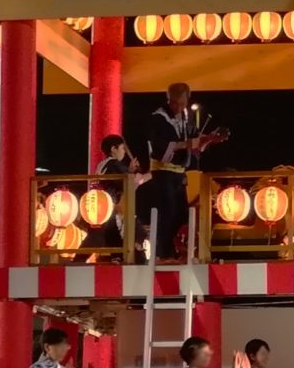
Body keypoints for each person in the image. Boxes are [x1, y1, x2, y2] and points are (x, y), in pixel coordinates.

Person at [141, 83, 226, 261]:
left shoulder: (185, 118)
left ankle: (175, 251)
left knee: (181, 213)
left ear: (187, 100)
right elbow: (162, 149)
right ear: (168, 99)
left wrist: (209, 139)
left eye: (181, 103)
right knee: (167, 212)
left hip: (179, 173)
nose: (178, 107)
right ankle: (161, 255)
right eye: (174, 103)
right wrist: (190, 144)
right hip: (163, 172)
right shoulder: (158, 118)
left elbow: (195, 146)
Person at [97, 133, 141, 250]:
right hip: (113, 207)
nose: (124, 152)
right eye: (122, 148)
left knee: (101, 237)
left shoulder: (103, 164)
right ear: (113, 149)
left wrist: (130, 170)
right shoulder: (114, 164)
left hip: (103, 207)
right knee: (134, 235)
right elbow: (129, 183)